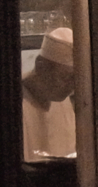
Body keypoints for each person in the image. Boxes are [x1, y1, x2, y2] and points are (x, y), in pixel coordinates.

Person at [22, 27, 76, 162]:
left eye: (76, 79)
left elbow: (70, 153)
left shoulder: (62, 100)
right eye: (65, 77)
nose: (72, 86)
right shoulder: (16, 102)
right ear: (41, 66)